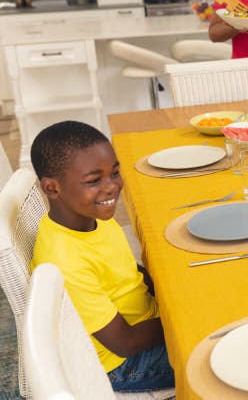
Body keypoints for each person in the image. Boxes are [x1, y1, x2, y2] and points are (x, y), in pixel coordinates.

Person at [30, 121, 174, 392]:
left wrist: (170, 295)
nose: (111, 187)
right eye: (94, 181)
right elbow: (125, 342)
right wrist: (178, 317)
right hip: (123, 363)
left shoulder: (93, 215)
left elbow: (130, 271)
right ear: (51, 189)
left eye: (115, 172)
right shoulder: (64, 260)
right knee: (222, 351)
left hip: (145, 322)